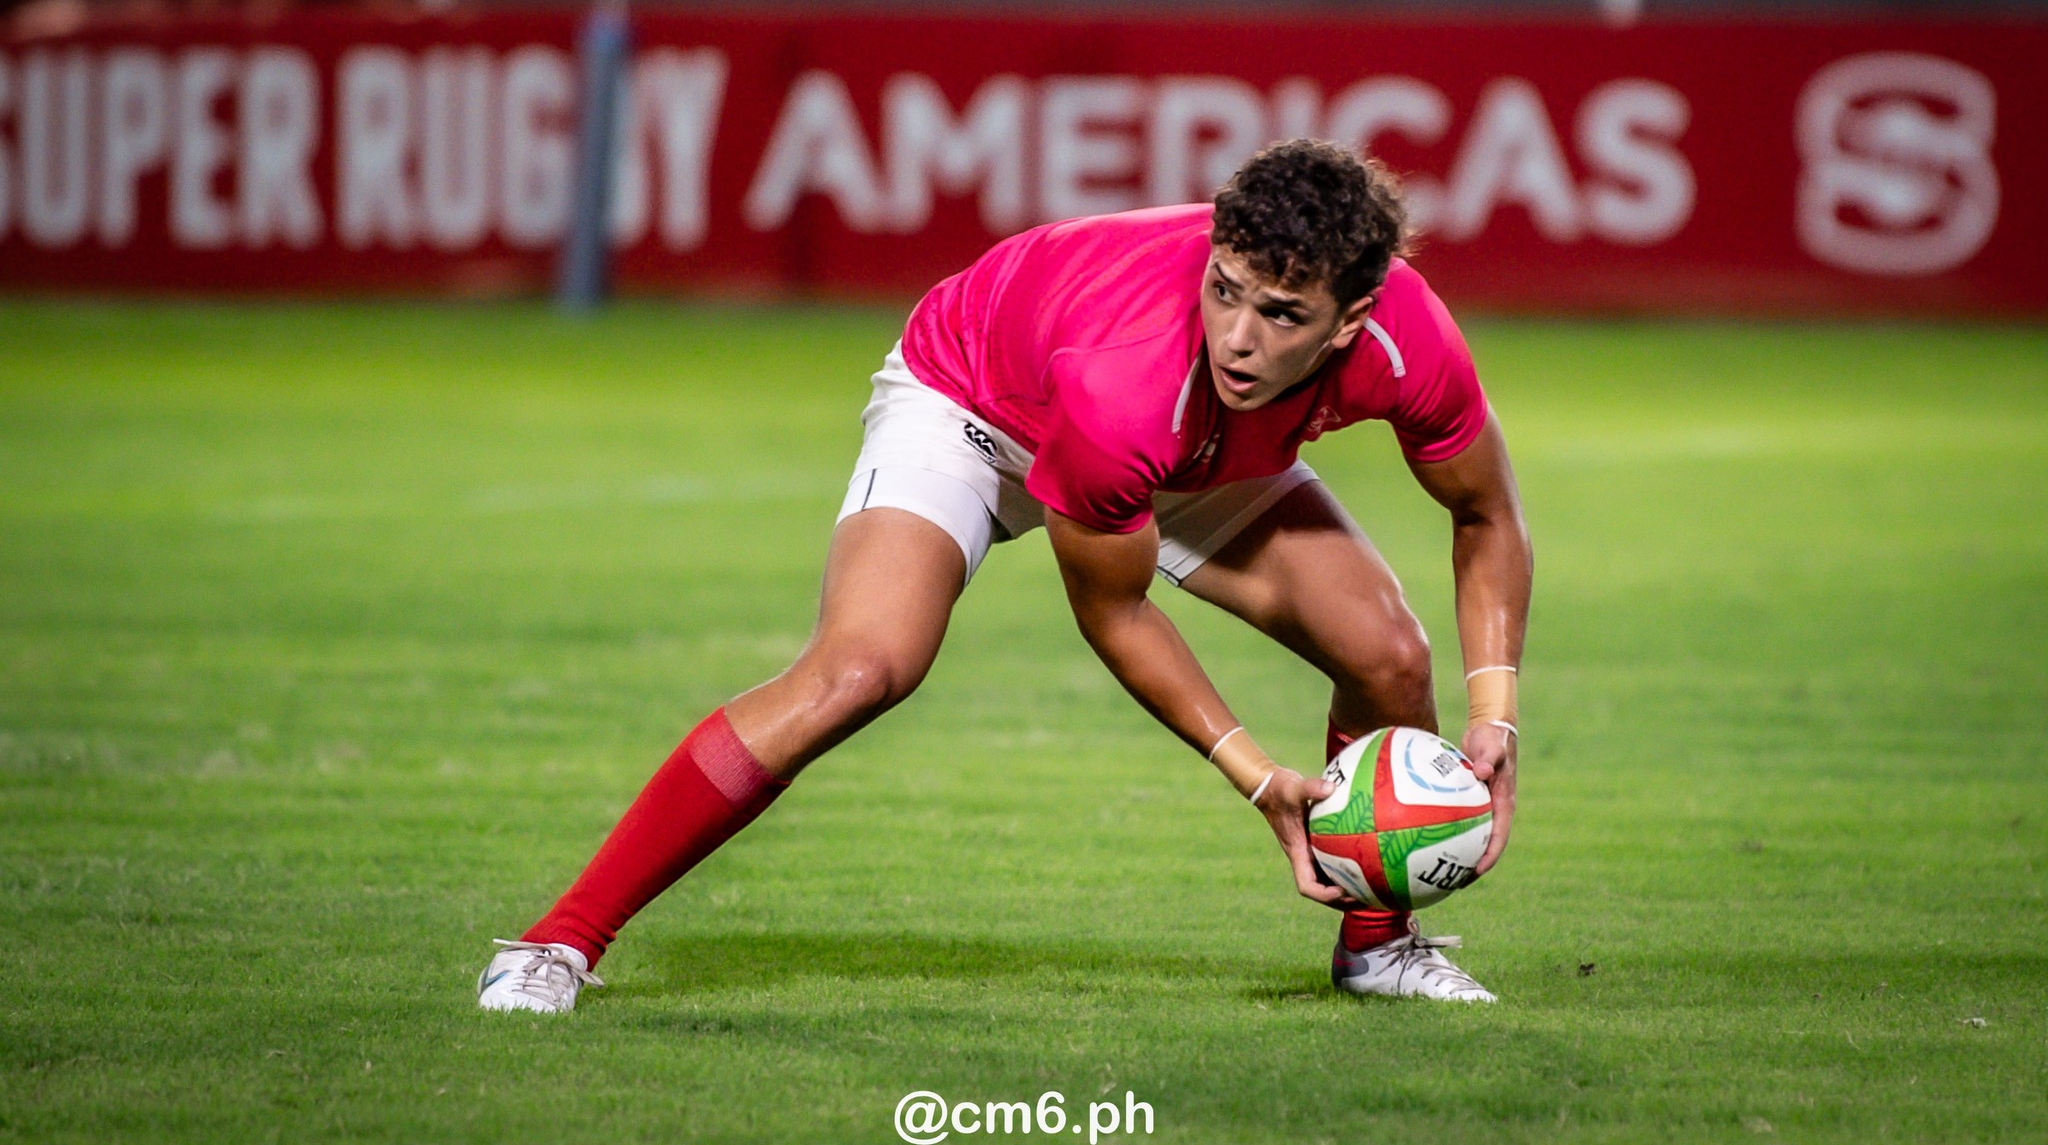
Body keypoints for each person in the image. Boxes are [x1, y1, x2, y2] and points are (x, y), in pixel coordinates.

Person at [477, 140, 1533, 1012]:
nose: (1240, 337)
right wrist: (1257, 776)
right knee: (863, 665)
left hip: (1192, 449)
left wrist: (1495, 715)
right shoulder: (1130, 373)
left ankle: (1375, 944)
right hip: (975, 403)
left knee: (1390, 654)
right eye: (1225, 290)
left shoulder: (1408, 341)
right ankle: (556, 940)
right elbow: (1111, 608)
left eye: (1280, 315)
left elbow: (1485, 512)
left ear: (1351, 320)